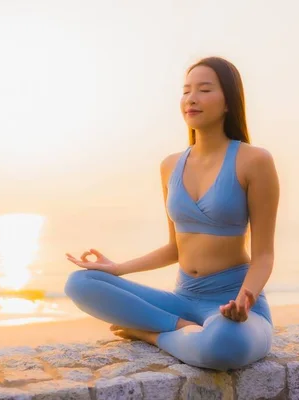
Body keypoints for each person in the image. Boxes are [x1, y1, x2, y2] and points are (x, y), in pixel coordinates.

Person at [64, 56, 280, 371]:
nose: (191, 98)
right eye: (186, 90)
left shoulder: (254, 161)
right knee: (80, 283)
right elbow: (174, 248)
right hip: (182, 301)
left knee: (224, 343)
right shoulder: (170, 165)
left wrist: (246, 297)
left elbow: (264, 255)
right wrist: (119, 268)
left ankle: (150, 334)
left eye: (204, 90)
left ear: (228, 102)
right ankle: (178, 328)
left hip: (233, 305)